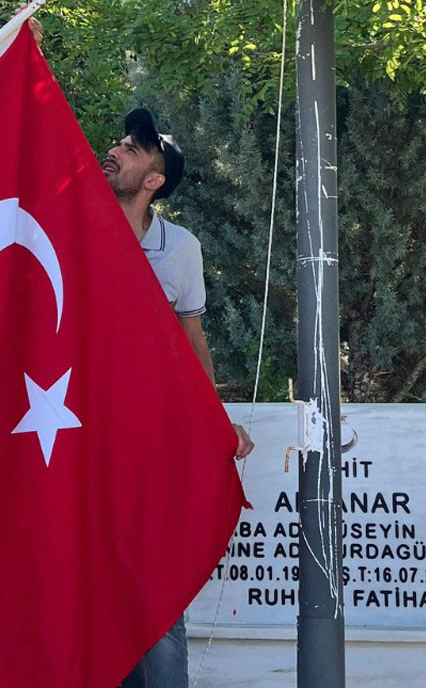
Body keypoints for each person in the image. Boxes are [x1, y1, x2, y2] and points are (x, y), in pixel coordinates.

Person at [103, 108, 254, 687]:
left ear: (153, 181)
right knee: (92, 578)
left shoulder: (180, 248)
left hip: (149, 441)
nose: (116, 150)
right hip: (72, 430)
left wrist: (216, 421)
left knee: (158, 582)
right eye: (120, 142)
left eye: (134, 149)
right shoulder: (74, 228)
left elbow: (193, 338)